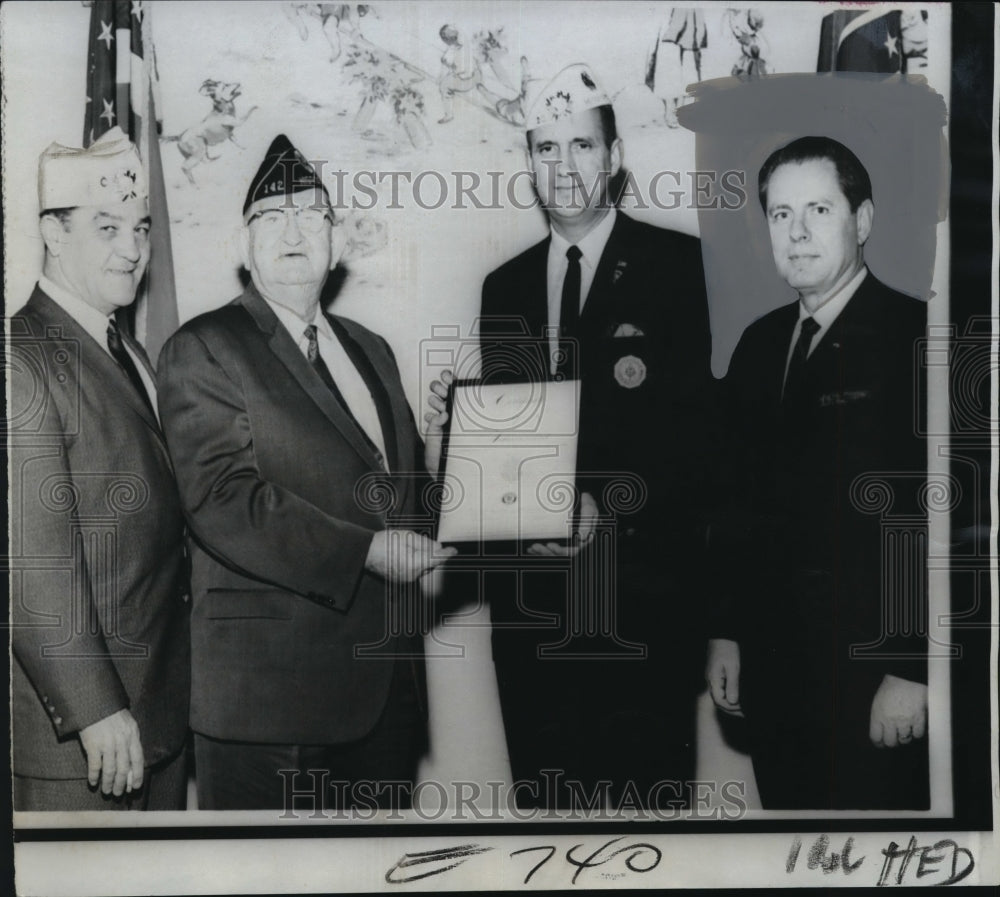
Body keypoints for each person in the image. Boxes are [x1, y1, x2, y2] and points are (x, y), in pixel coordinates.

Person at [429, 64, 715, 809]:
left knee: (644, 831)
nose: (564, 167)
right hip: (533, 619)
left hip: (644, 610)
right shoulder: (505, 288)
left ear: (614, 158)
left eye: (581, 145)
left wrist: (603, 508)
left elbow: (703, 446)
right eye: (546, 149)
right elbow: (512, 454)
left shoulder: (682, 268)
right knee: (549, 834)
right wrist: (463, 430)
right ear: (529, 165)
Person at [157, 134, 454, 811]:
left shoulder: (371, 351)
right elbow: (223, 498)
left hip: (384, 698)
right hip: (269, 707)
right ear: (242, 245)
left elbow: (404, 506)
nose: (292, 230)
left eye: (311, 214)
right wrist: (369, 551)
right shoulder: (203, 347)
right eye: (271, 216)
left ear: (338, 241)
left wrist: (438, 448)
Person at [706, 136, 929, 809]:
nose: (797, 232)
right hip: (774, 673)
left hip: (873, 679)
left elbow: (932, 518)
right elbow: (734, 504)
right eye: (780, 214)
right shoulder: (758, 344)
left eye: (819, 210)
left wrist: (911, 666)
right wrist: (727, 631)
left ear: (862, 221)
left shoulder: (916, 337)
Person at [10, 127, 190, 811]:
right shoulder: (19, 357)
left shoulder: (130, 351)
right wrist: (93, 708)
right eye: (107, 226)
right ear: (54, 234)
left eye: (141, 227)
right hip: (86, 744)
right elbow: (30, 556)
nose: (133, 249)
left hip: (155, 720)